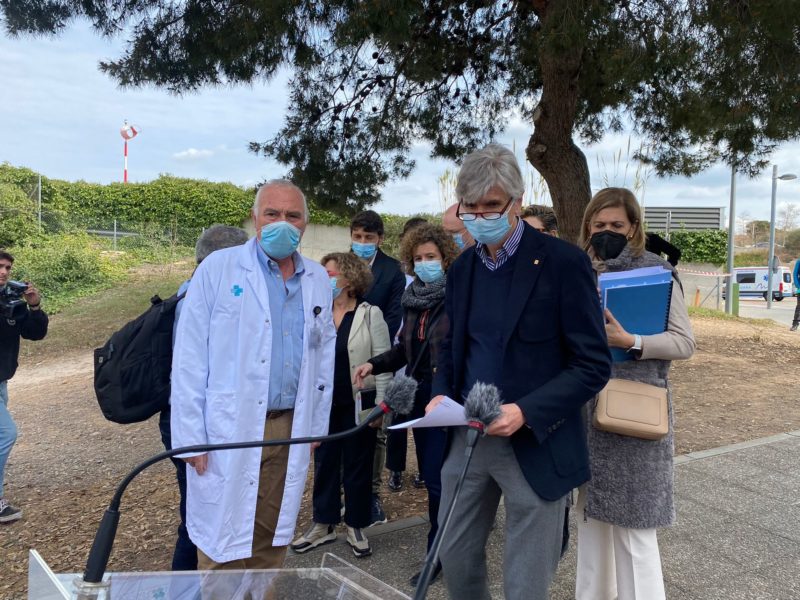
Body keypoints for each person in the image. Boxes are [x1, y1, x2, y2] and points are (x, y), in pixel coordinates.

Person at [427, 144, 611, 600]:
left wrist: (526, 411)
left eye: (492, 205)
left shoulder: (564, 264)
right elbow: (453, 346)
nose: (480, 215)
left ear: (517, 200)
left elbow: (592, 364)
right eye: (470, 207)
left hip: (536, 441)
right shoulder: (464, 267)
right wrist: (439, 393)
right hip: (468, 435)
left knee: (526, 582)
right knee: (456, 557)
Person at [170, 180, 337, 569]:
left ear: (305, 224)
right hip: (229, 426)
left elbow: (323, 357)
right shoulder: (218, 269)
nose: (283, 223)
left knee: (271, 536)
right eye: (272, 214)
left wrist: (315, 425)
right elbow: (189, 360)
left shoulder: (315, 279)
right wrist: (192, 439)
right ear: (255, 219)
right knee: (222, 541)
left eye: (293, 216)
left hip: (289, 425)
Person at [576, 187, 696, 600]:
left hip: (634, 412)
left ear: (634, 228)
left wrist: (632, 340)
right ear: (587, 226)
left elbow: (684, 343)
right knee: (591, 525)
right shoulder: (578, 269)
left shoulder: (656, 270)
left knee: (635, 533)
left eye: (616, 225)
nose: (606, 232)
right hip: (584, 411)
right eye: (599, 225)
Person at [354, 223, 458, 585]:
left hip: (445, 400)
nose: (425, 263)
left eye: (432, 257)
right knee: (434, 478)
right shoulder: (412, 298)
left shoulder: (457, 296)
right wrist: (375, 363)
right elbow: (405, 350)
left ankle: (438, 555)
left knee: (438, 481)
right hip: (417, 397)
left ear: (446, 258)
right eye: (418, 258)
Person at [158, 225, 249, 570]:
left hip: (193, 418)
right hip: (194, 421)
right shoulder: (200, 296)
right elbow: (195, 370)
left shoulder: (191, 290)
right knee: (199, 519)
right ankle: (186, 590)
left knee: (204, 513)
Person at [290, 252, 391, 558]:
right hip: (323, 405)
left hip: (358, 404)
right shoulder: (314, 311)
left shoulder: (370, 314)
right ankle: (323, 523)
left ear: (349, 279)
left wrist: (382, 409)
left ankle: (356, 524)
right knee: (324, 465)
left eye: (330, 274)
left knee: (359, 466)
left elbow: (383, 361)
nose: (325, 279)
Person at [349, 210, 406, 525]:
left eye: (368, 238)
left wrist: (377, 353)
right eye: (357, 237)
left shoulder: (392, 270)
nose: (362, 243)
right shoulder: (338, 265)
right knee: (343, 425)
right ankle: (346, 492)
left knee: (375, 426)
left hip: (379, 357)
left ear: (379, 239)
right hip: (344, 358)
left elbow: (395, 313)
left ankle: (371, 495)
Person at [0, 250, 48, 524]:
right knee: (6, 433)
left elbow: (35, 333)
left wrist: (34, 306)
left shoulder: (10, 300)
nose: (4, 272)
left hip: (2, 380)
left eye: (8, 267)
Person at [791, 258, 800, 331]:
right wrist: (798, 285)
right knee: (799, 308)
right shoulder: (799, 261)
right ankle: (795, 325)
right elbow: (795, 274)